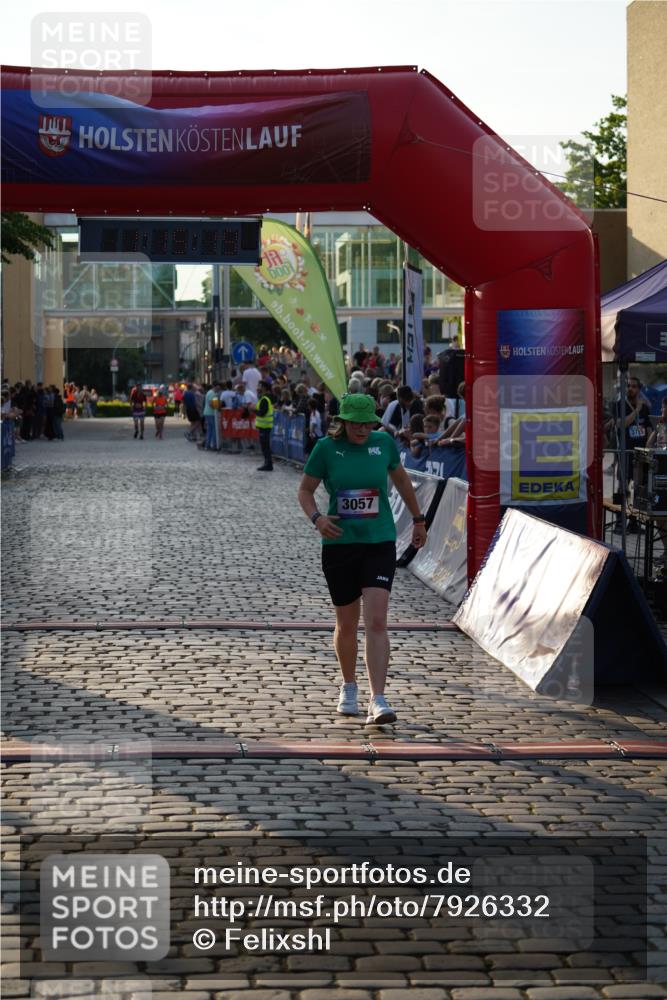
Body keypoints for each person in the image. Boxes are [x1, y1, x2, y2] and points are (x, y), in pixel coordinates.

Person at [297, 393, 427, 725]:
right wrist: (318, 519)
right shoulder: (326, 449)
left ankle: (378, 698)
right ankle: (348, 686)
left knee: (378, 620)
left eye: (365, 422)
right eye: (354, 422)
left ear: (373, 420)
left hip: (379, 540)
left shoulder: (382, 443)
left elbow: (401, 482)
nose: (360, 428)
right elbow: (306, 490)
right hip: (340, 543)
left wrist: (418, 519)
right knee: (346, 623)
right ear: (342, 421)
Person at [612, 375, 652, 532]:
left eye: (634, 386)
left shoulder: (646, 408)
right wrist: (637, 410)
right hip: (625, 452)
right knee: (622, 487)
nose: (631, 389)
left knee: (639, 489)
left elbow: (648, 428)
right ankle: (619, 523)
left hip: (640, 454)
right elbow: (621, 424)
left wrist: (649, 449)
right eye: (628, 386)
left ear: (639, 389)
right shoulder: (619, 405)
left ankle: (634, 522)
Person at [254, 379, 274, 471]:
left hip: (265, 426)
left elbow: (262, 413)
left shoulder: (265, 399)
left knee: (265, 446)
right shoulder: (263, 398)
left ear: (264, 388)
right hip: (264, 426)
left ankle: (268, 464)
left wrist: (254, 410)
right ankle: (267, 463)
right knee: (264, 446)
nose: (257, 388)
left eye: (259, 386)